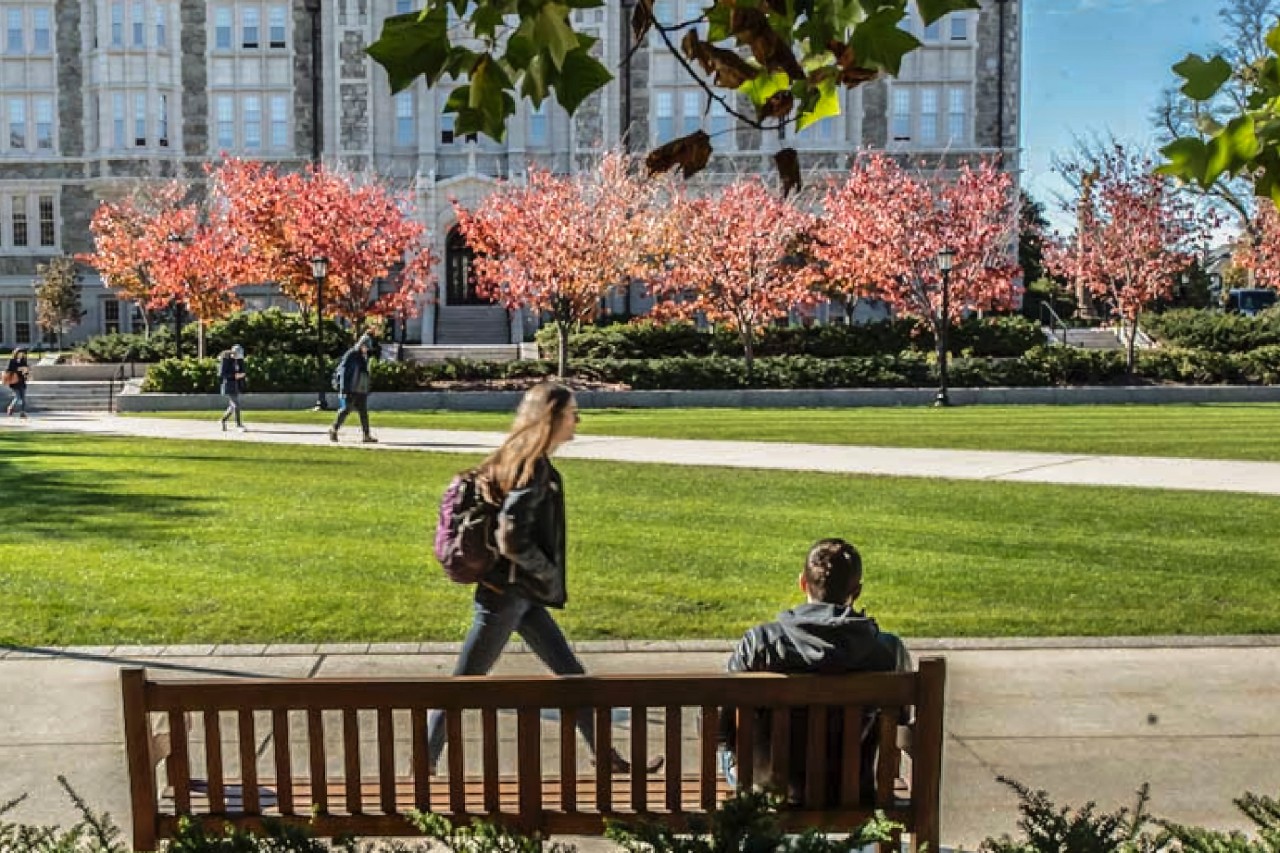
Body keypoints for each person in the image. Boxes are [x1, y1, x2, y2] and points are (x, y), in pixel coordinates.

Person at [426, 382, 662, 775]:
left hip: (520, 595)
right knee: (463, 684)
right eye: (572, 413)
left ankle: (606, 756)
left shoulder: (512, 458)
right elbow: (511, 533)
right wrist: (545, 570)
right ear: (552, 419)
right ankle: (422, 763)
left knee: (572, 676)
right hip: (507, 596)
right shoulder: (533, 468)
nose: (578, 421)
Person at [718, 537, 910, 803]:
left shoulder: (760, 643)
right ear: (857, 591)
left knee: (730, 747)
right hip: (851, 791)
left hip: (771, 790)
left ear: (802, 583)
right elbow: (901, 720)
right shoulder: (887, 651)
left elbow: (720, 725)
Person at [328, 333, 376, 444]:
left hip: (360, 389)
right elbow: (345, 372)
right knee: (346, 409)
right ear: (361, 344)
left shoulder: (363, 357)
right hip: (351, 388)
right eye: (365, 347)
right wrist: (344, 388)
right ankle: (334, 429)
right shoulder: (352, 355)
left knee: (363, 412)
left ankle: (366, 435)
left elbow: (364, 373)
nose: (366, 350)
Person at [218, 344, 247, 431]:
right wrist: (234, 376)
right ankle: (238, 425)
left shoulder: (239, 360)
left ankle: (223, 420)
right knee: (236, 405)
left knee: (232, 406)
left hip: (236, 385)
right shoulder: (226, 360)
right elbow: (222, 374)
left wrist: (242, 375)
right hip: (228, 385)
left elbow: (242, 370)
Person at [4, 347, 30, 418]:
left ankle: (22, 412)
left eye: (22, 354)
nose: (21, 355)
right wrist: (18, 369)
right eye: (20, 353)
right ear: (16, 353)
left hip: (22, 382)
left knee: (23, 398)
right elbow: (9, 370)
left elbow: (26, 370)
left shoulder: (23, 361)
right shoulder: (12, 361)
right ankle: (10, 407)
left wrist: (26, 373)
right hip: (14, 382)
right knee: (18, 397)